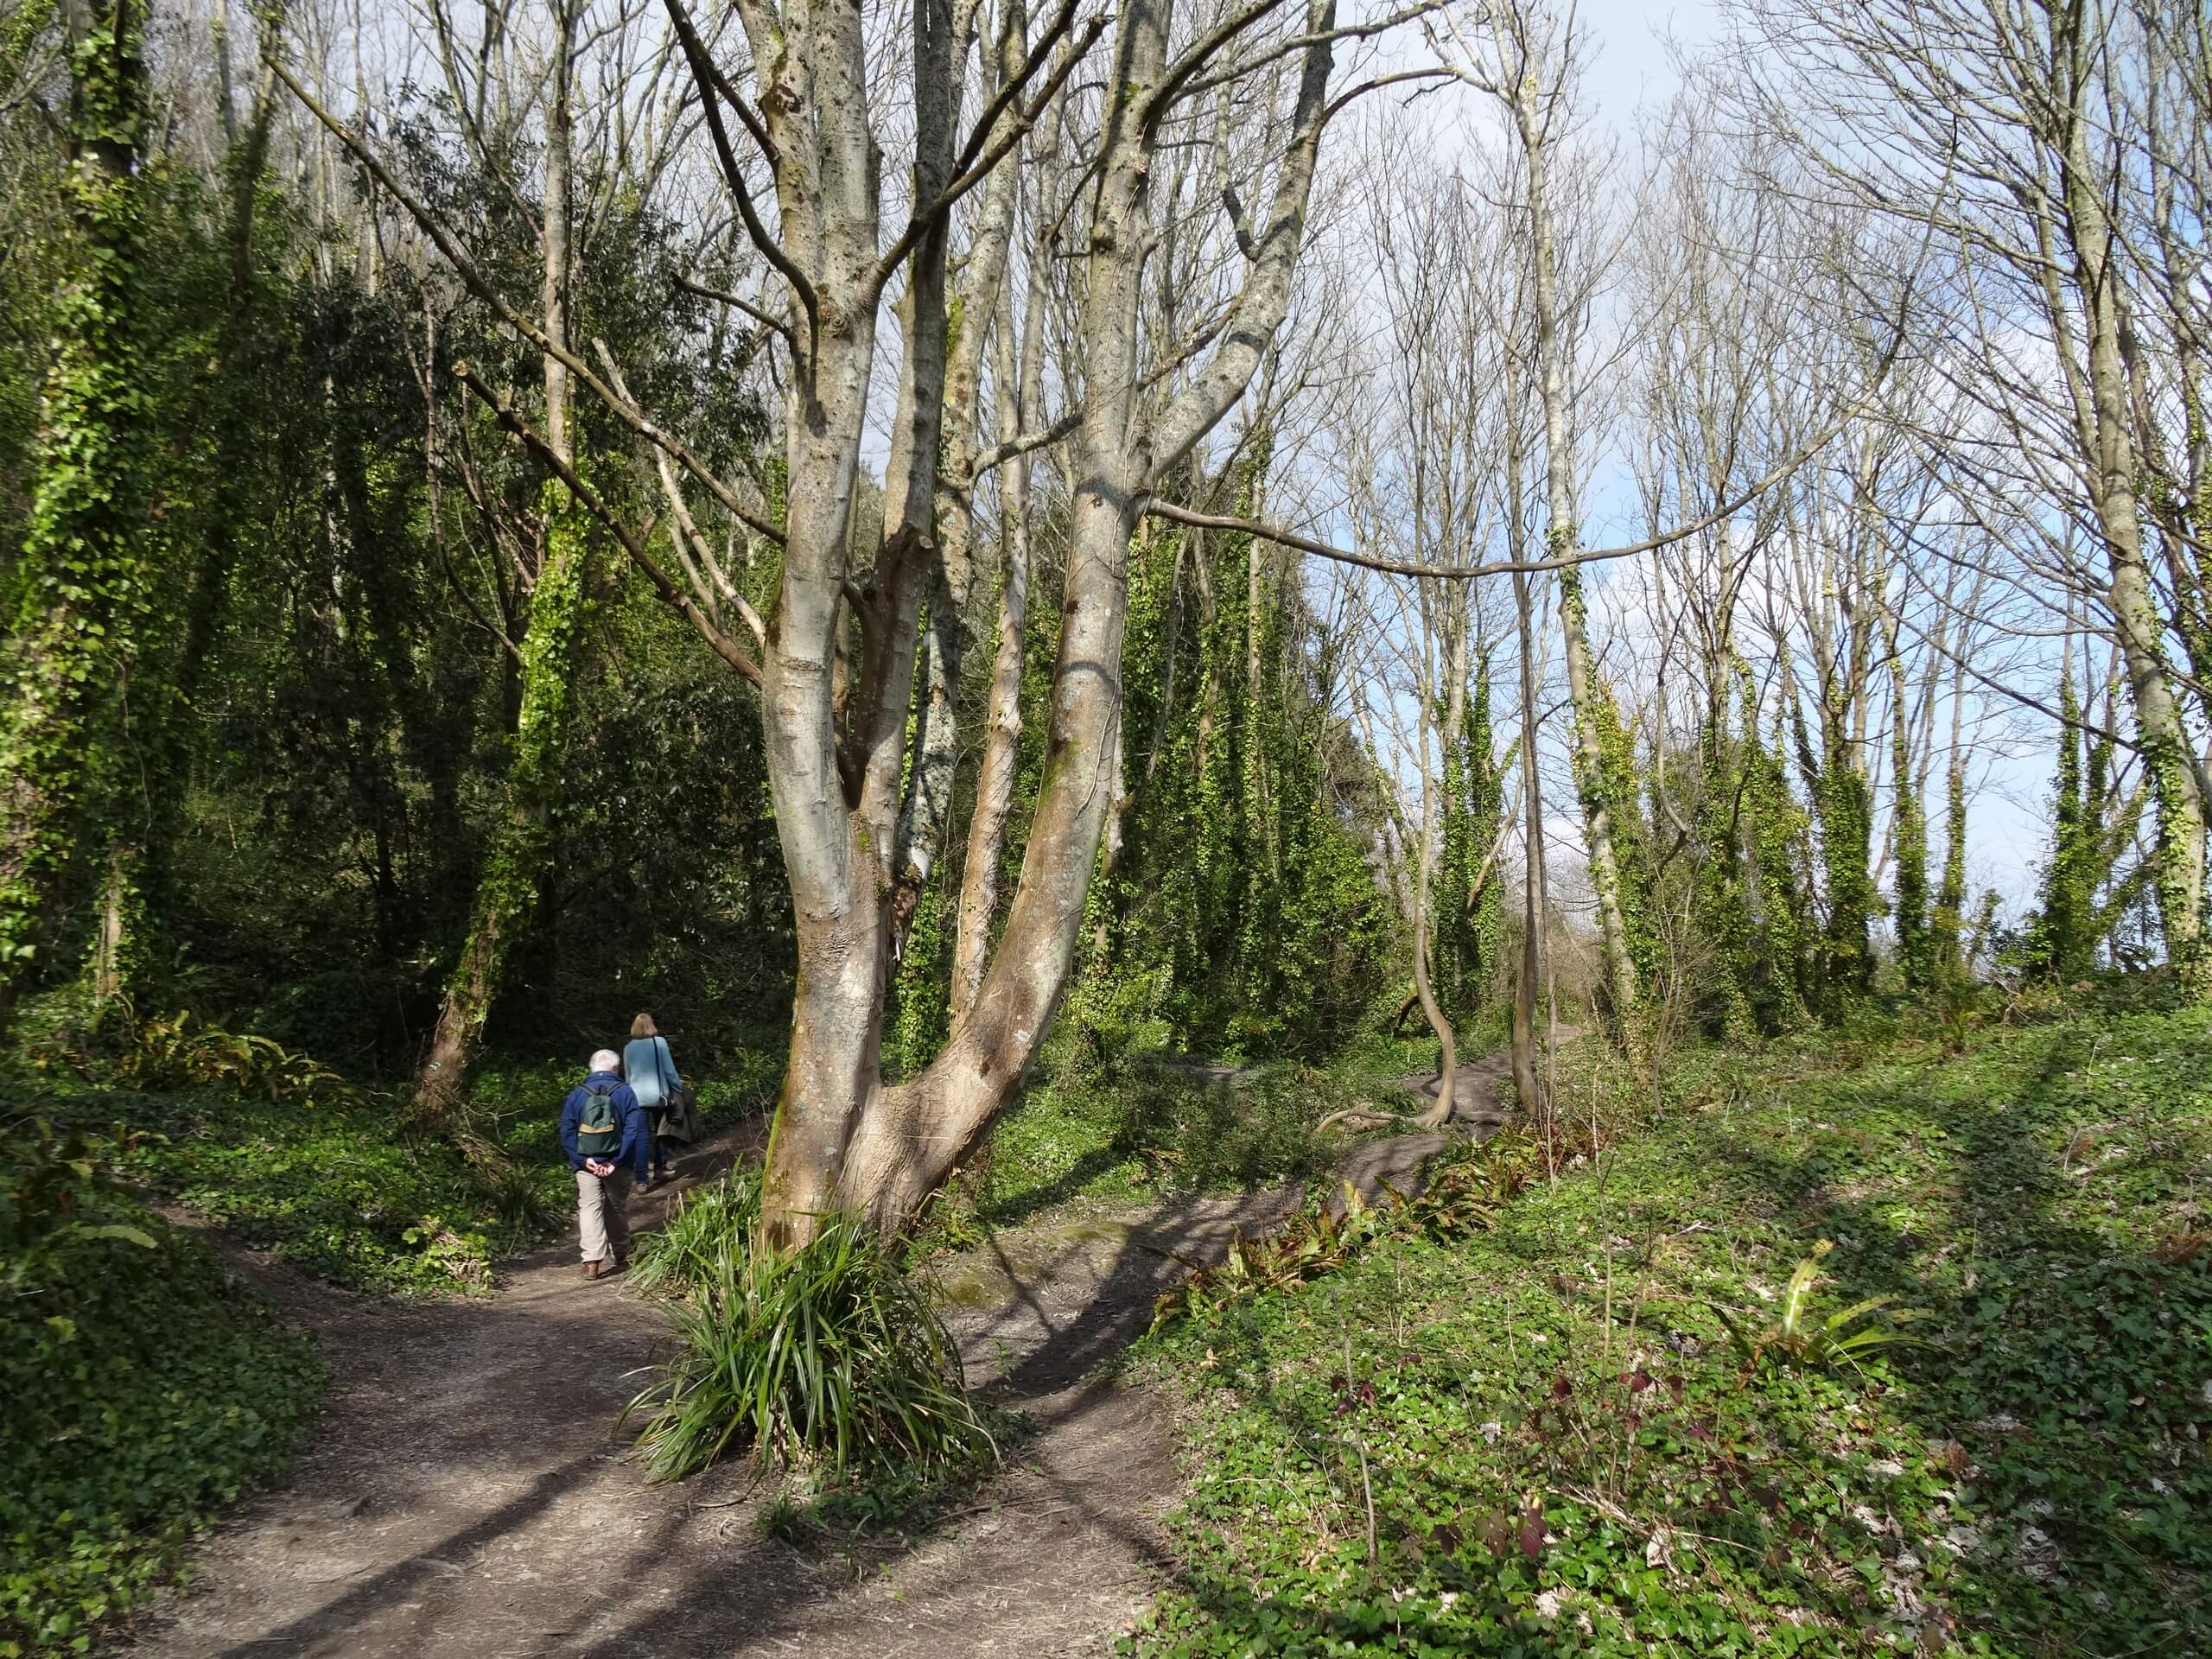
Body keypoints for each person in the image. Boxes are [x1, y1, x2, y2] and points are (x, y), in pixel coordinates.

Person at [560, 1049, 647, 1280]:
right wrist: (616, 1161)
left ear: (592, 1068)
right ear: (615, 1069)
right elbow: (633, 1130)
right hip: (619, 1163)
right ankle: (621, 1254)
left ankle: (591, 1263)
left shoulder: (577, 1094)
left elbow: (567, 1131)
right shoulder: (626, 1092)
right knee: (616, 1207)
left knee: (589, 1207)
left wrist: (583, 1160)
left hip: (586, 1163)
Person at [623, 1012, 683, 1192]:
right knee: (661, 1133)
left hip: (636, 1097)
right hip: (659, 1097)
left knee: (641, 1138)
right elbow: (669, 1070)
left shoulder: (628, 1048)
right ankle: (660, 1169)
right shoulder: (659, 1043)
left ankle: (641, 1180)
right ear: (651, 1026)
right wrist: (678, 1088)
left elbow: (628, 1076)